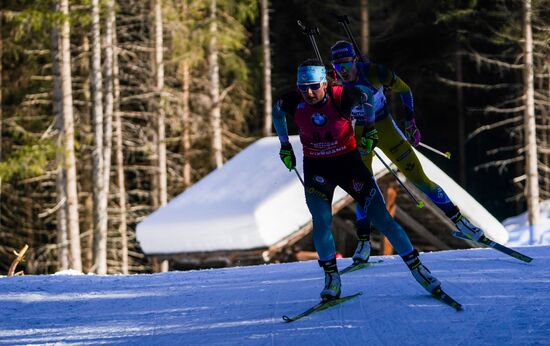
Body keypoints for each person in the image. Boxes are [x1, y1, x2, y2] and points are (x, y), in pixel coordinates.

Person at [272, 59, 441, 301]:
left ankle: (418, 268)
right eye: (302, 87)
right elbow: (277, 112)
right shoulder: (292, 101)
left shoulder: (341, 96)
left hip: (349, 165)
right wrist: (284, 145)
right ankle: (331, 278)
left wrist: (370, 128)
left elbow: (367, 96)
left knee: (382, 217)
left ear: (324, 82)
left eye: (313, 86)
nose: (308, 92)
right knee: (321, 221)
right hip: (317, 169)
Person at [330, 41, 484, 264]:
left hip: (386, 129)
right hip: (361, 133)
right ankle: (363, 241)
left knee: (420, 179)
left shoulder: (375, 72)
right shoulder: (334, 85)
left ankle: (460, 221)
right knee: (362, 188)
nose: (342, 71)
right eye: (337, 67)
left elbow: (405, 90)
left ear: (355, 60)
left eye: (345, 64)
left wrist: (410, 122)